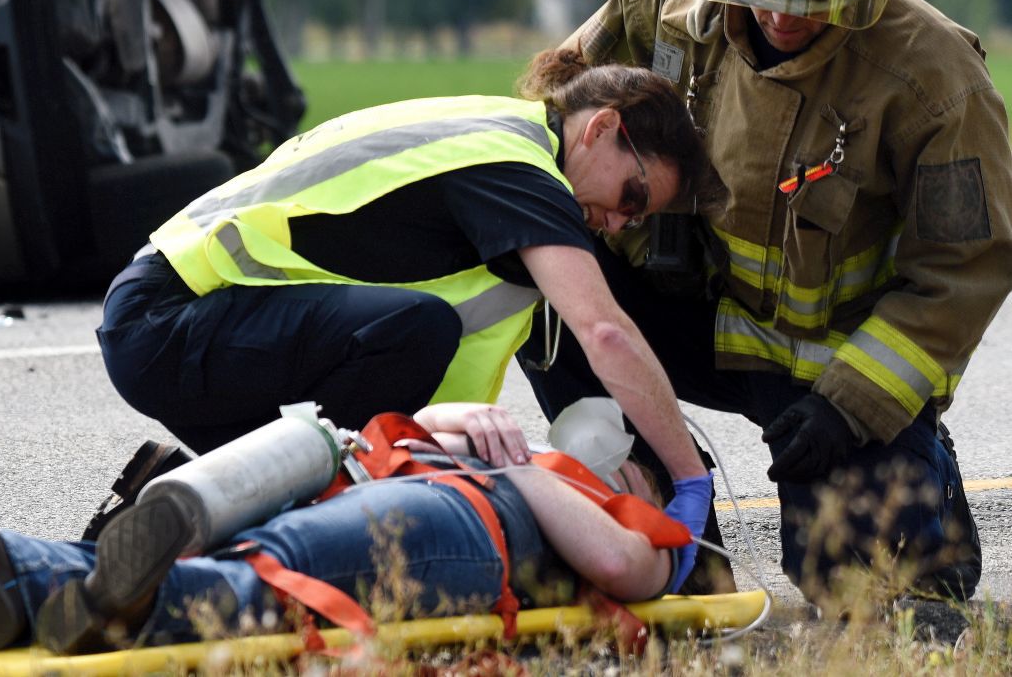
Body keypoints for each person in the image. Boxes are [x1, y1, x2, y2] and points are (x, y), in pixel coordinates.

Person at [525, 0, 1006, 604]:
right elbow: (552, 123)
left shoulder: (933, 80)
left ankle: (921, 490)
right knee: (543, 299)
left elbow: (962, 271)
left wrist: (853, 408)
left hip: (830, 373)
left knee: (868, 590)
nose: (781, 5)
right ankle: (672, 538)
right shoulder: (660, 2)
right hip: (685, 317)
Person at [92, 53, 718, 536]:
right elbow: (604, 332)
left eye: (635, 221)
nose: (616, 225)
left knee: (406, 460)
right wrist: (690, 478)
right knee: (414, 339)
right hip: (170, 319)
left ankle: (178, 511)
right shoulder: (520, 170)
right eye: (632, 198)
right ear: (601, 128)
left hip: (196, 331)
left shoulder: (506, 178)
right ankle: (279, 526)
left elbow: (421, 415)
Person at [0, 401, 708, 656]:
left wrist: (525, 466)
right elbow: (403, 428)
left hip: (463, 523)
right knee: (251, 556)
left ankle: (104, 598)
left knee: (271, 572)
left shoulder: (627, 531)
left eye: (632, 470)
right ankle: (9, 572)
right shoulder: (534, 460)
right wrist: (461, 423)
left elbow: (619, 565)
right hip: (379, 488)